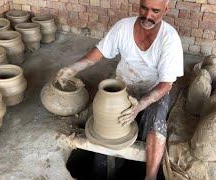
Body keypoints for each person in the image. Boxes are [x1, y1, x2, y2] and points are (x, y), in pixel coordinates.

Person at [56, 0, 183, 179]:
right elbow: (99, 52)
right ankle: (99, 170)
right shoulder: (123, 27)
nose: (147, 16)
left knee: (156, 124)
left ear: (166, 9)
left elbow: (166, 84)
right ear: (139, 5)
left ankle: (150, 175)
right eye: (144, 8)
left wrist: (141, 105)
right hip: (125, 84)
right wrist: (73, 68)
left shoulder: (169, 38)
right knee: (102, 121)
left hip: (154, 90)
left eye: (155, 11)